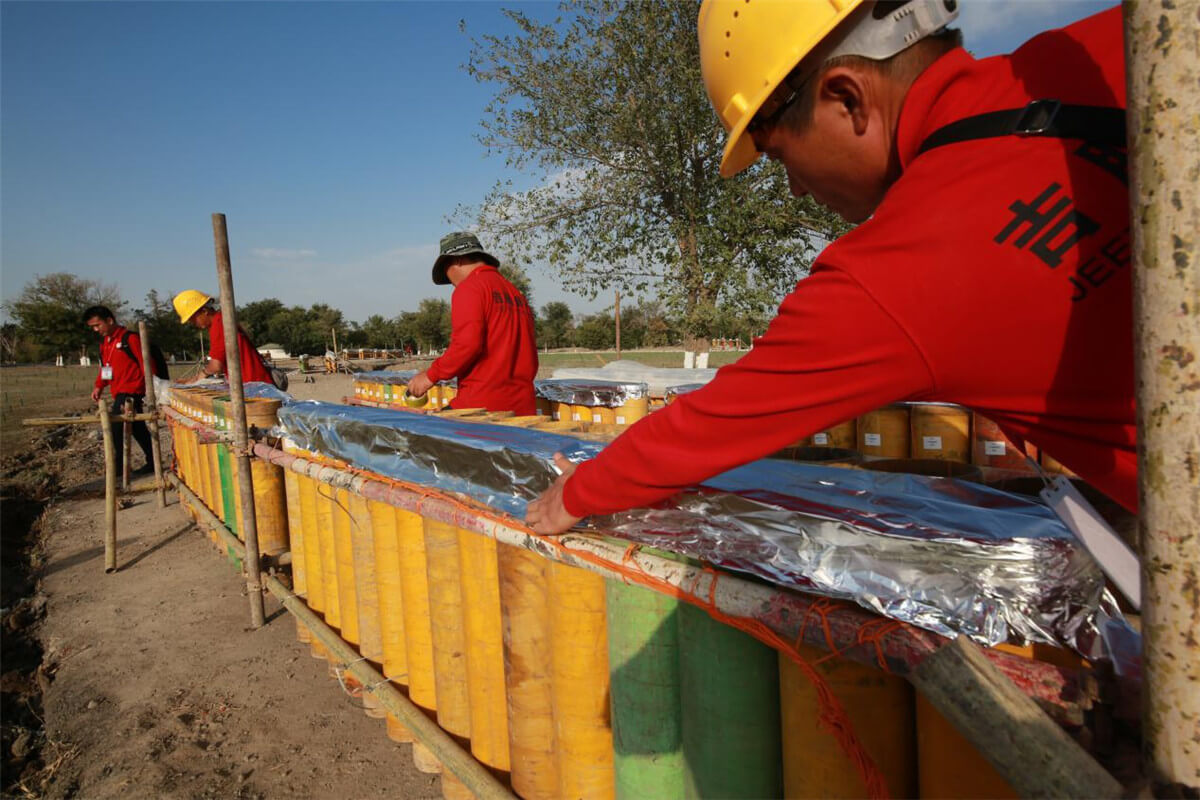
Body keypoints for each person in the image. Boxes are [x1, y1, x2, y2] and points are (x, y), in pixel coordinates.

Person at [527, 0, 1133, 534]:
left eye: (779, 154)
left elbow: (712, 423)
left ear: (847, 98)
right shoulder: (1117, 46)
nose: (792, 188)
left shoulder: (896, 276)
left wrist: (578, 494)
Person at [407, 232, 539, 415]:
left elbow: (467, 344)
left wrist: (429, 376)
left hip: (482, 409)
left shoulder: (470, 288)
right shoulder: (515, 294)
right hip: (523, 408)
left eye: (446, 271)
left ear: (458, 260)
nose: (451, 282)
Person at [84, 305, 155, 476]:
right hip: (118, 391)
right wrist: (99, 386)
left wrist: (152, 389)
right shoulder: (106, 344)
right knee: (138, 428)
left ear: (109, 320)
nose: (95, 329)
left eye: (97, 325)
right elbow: (106, 368)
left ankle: (118, 469)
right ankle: (153, 461)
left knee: (116, 426)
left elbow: (148, 365)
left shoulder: (130, 339)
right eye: (92, 327)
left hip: (132, 392)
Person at [172, 290, 274, 385]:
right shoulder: (220, 321)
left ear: (204, 311)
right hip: (252, 383)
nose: (192, 323)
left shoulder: (219, 324)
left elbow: (216, 366)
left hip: (254, 385)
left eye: (192, 318)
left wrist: (196, 379)